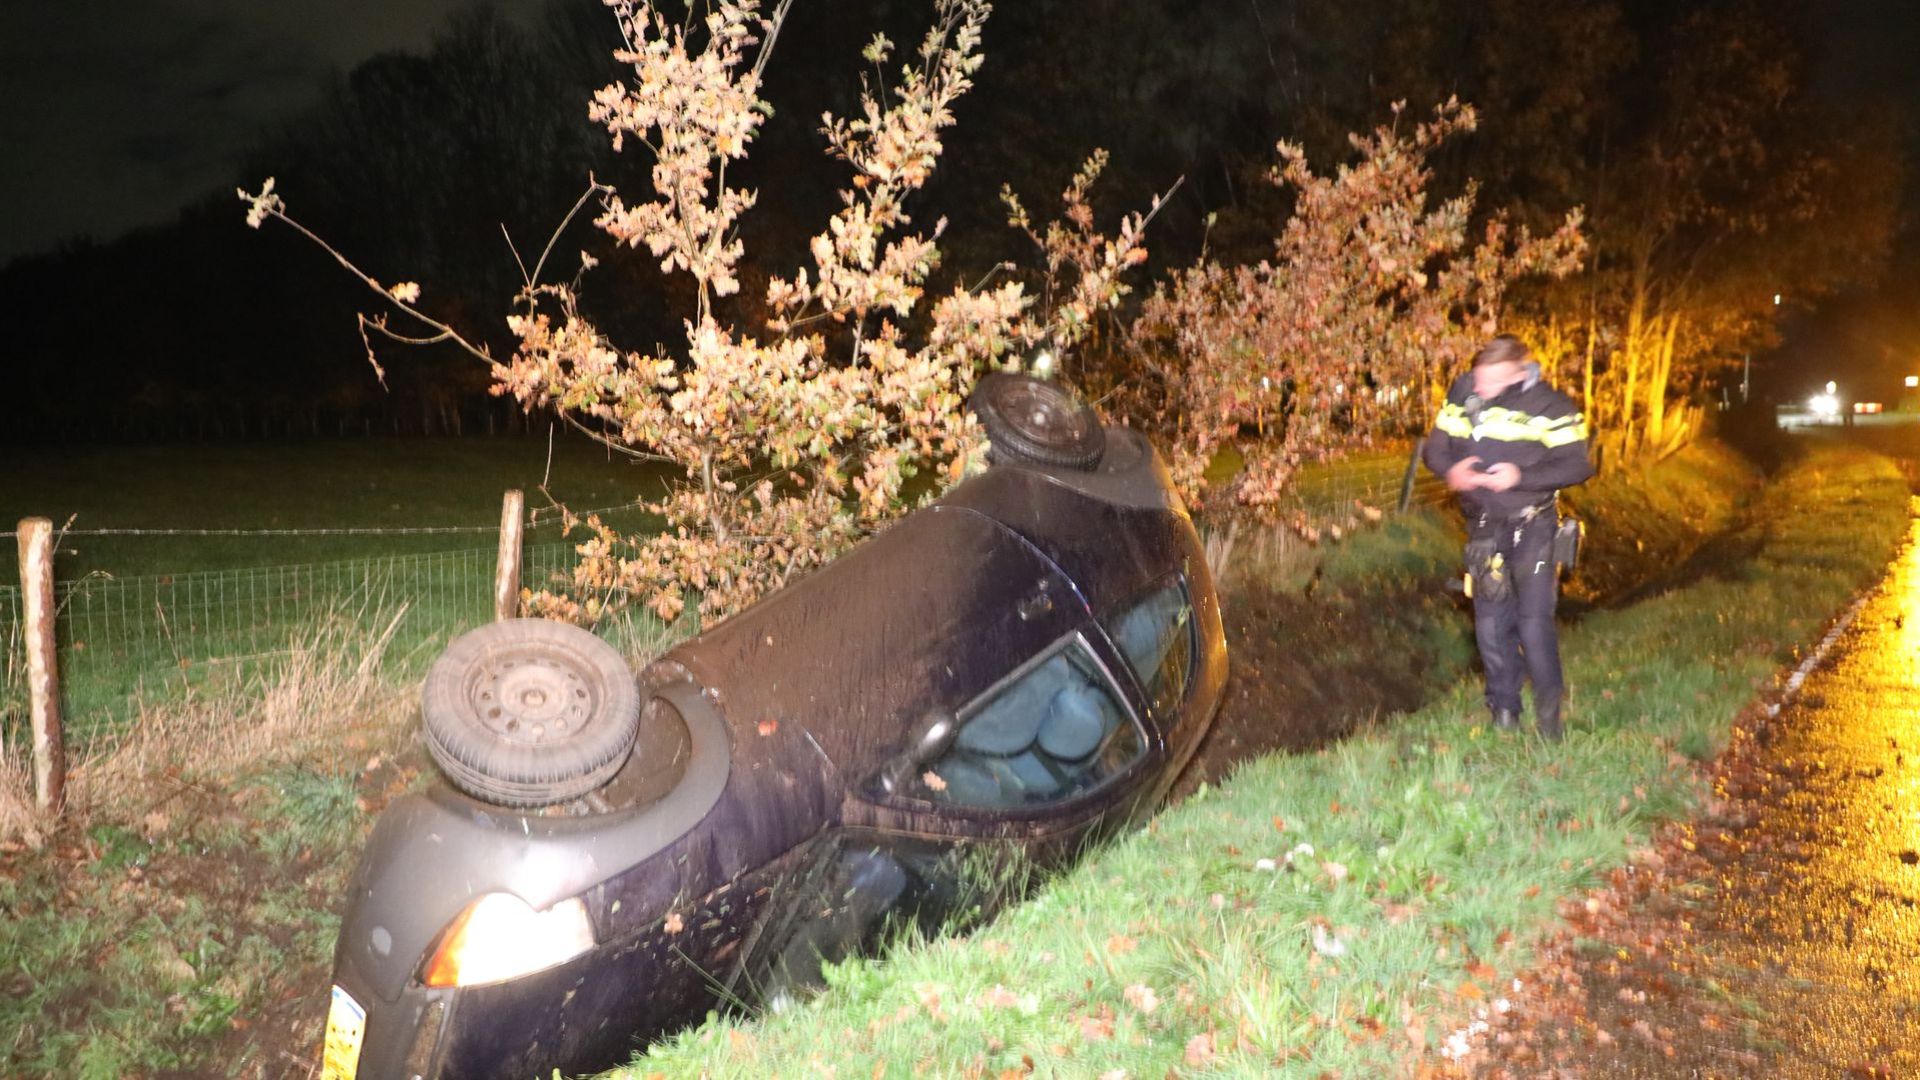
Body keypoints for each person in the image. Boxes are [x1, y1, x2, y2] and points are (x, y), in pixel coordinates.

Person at [1423, 335, 1593, 740]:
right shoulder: (1463, 393)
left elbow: (1579, 465)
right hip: (1484, 528)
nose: (1479, 389)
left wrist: (1521, 477)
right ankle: (1503, 712)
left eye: (1491, 382)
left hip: (1534, 526)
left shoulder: (1550, 405)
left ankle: (1549, 721)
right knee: (1490, 625)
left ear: (1519, 374)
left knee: (1532, 623)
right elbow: (1434, 451)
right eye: (1478, 378)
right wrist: (1451, 471)